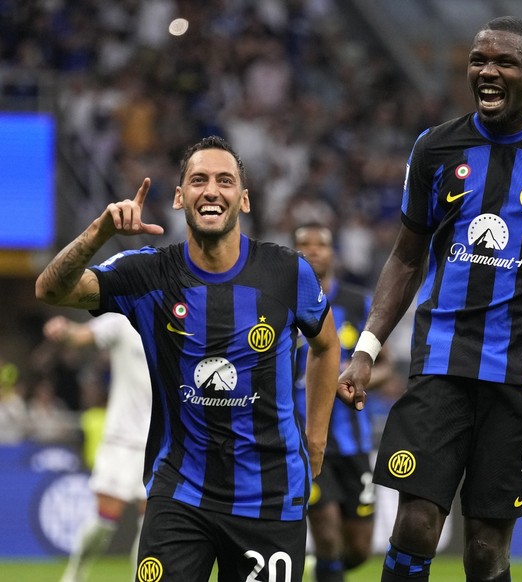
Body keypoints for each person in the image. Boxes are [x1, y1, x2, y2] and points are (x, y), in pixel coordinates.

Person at [337, 16, 522, 582]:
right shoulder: (435, 147)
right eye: (478, 60)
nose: (487, 72)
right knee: (416, 523)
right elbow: (404, 257)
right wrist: (368, 347)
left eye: (504, 63)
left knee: (485, 547)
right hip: (441, 364)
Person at [35, 135, 341, 582]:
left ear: (244, 199)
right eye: (198, 180)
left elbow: (327, 345)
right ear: (180, 197)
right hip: (180, 493)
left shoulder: (287, 272)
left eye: (225, 180)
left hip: (269, 494)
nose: (211, 190)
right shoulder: (147, 273)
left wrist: (315, 441)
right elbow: (50, 290)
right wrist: (100, 231)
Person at [291, 222, 395, 582]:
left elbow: (385, 366)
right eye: (304, 243)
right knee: (327, 531)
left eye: (321, 243)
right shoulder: (283, 306)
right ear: (295, 252)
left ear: (333, 252)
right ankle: (325, 563)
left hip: (355, 444)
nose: (314, 249)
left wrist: (357, 380)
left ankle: (322, 570)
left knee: (358, 548)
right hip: (306, 441)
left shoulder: (357, 303)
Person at [43, 313, 151, 582]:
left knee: (150, 526)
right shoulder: (123, 322)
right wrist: (64, 330)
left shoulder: (183, 323)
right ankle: (76, 571)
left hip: (161, 443)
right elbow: (82, 335)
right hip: (122, 441)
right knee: (104, 522)